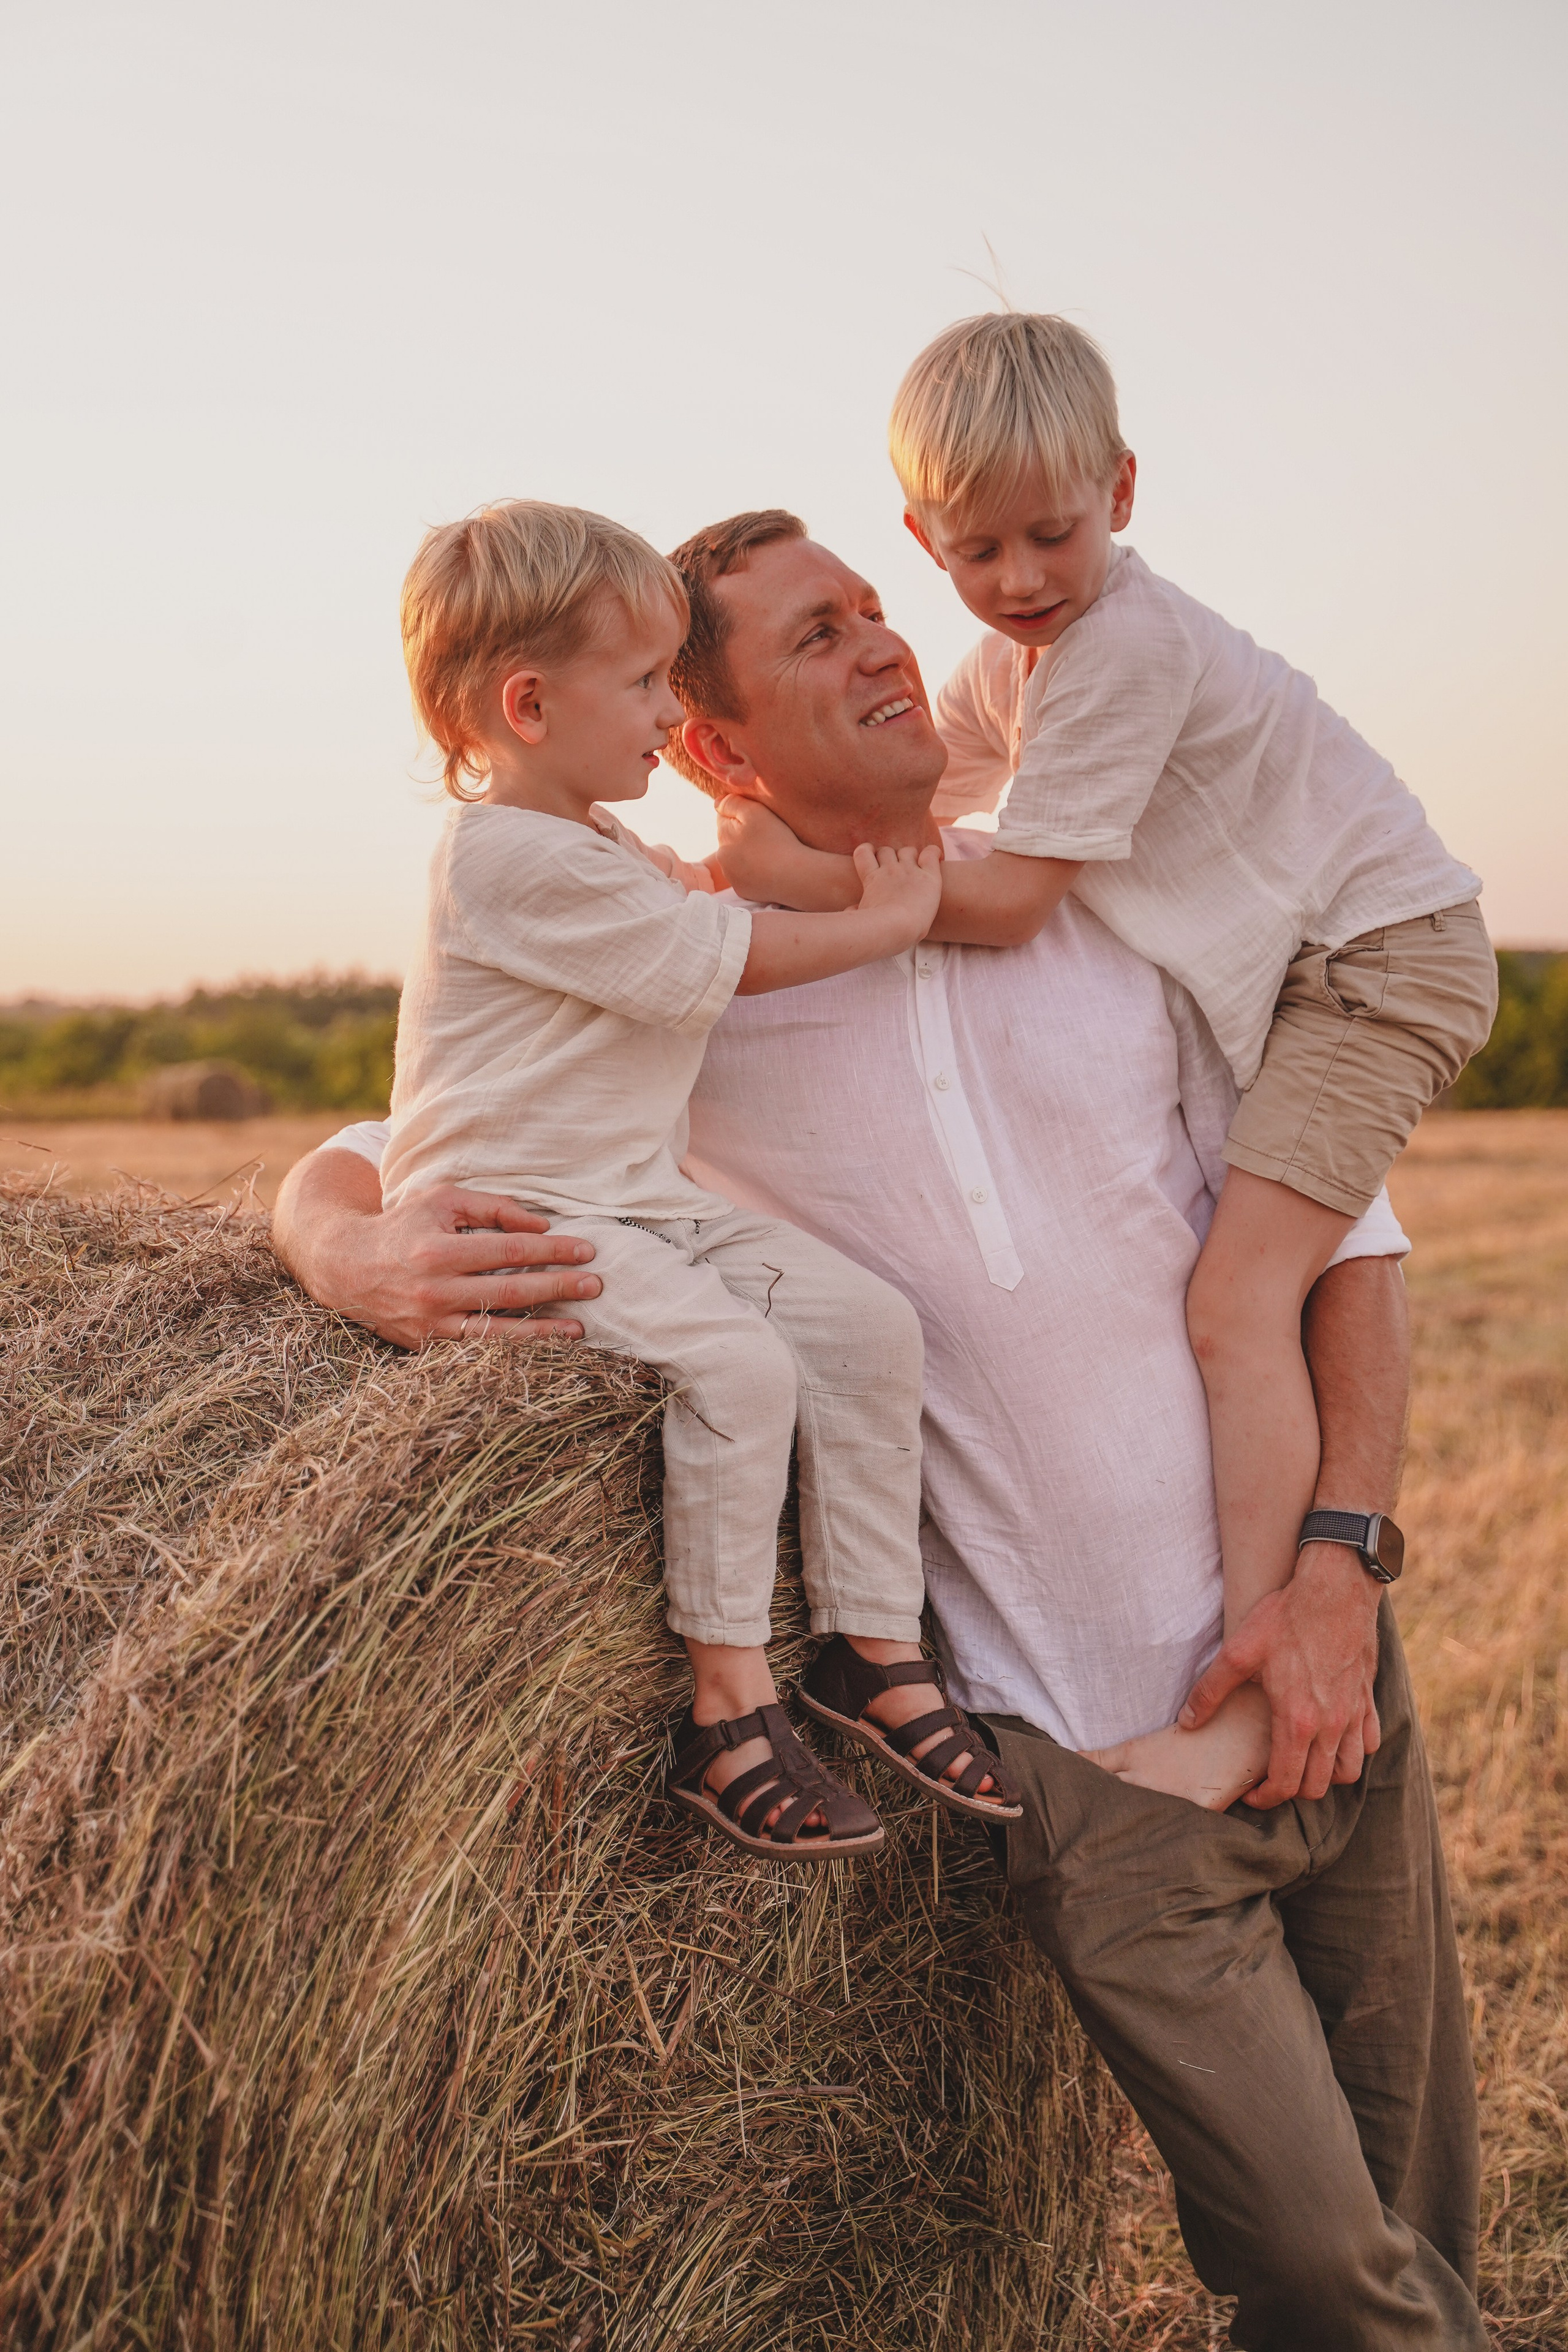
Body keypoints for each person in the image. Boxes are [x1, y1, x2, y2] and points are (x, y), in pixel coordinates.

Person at [274, 511, 1487, 2348]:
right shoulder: (679, 958)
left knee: (1429, 2250)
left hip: (1318, 1662)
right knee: (1326, 2276)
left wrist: (1340, 1576)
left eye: (871, 608)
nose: (883, 645)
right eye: (815, 637)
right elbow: (402, 1134)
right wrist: (346, 1246)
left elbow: (1352, 1246)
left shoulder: (1095, 895)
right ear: (708, 743)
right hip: (1089, 1764)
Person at [717, 316, 1498, 1812]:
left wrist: (808, 888)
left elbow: (1002, 901)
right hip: (1313, 962)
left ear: (1123, 492)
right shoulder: (1019, 661)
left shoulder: (1119, 650)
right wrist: (744, 855)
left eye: (1048, 536)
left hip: (1375, 960)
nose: (1014, 581)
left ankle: (1240, 1699)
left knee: (1236, 1296)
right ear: (922, 536)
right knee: (1240, 1291)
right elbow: (915, 803)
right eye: (974, 552)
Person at [381, 496, 1019, 1866]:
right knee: (738, 1374)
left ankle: (871, 1648)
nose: (667, 721)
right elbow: (726, 953)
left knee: (863, 1329)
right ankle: (728, 1716)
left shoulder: (590, 847)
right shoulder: (497, 856)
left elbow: (692, 900)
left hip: (637, 1194)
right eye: (642, 688)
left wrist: (757, 863)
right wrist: (885, 913)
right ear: (529, 704)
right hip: (525, 1204)